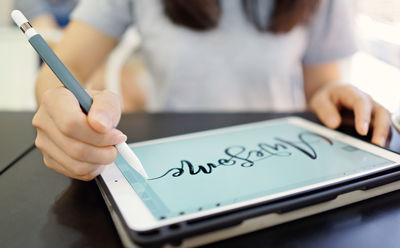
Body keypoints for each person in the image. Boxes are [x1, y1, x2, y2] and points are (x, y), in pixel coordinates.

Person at [32, 0, 391, 181]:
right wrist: (60, 108)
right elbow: (64, 66)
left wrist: (334, 95)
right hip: (170, 166)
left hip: (284, 165)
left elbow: (322, 85)